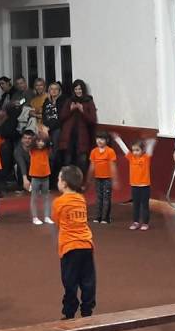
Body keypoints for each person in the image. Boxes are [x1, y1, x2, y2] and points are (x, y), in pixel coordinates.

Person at [54, 166, 95, 320]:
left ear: (64, 183)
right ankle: (87, 311)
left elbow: (57, 221)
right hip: (86, 245)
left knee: (70, 281)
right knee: (88, 280)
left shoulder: (59, 202)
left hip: (69, 247)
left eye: (59, 179)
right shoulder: (81, 199)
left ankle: (69, 312)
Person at [57, 80, 97, 171]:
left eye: (80, 89)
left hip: (82, 136)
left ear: (83, 90)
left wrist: (82, 110)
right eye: (76, 89)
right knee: (67, 161)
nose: (78, 91)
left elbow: (92, 120)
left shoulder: (88, 101)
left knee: (82, 161)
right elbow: (62, 117)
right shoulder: (69, 101)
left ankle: (81, 179)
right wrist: (70, 109)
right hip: (68, 136)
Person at [88, 132, 117, 225]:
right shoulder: (94, 151)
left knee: (106, 198)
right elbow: (92, 166)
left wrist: (115, 179)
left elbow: (113, 166)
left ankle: (105, 218)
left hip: (107, 178)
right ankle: (98, 216)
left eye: (102, 139)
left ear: (107, 141)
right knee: (99, 197)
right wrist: (89, 178)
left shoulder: (110, 151)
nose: (99, 141)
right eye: (98, 138)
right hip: (98, 178)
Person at [126, 139, 153, 230]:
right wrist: (118, 139)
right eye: (133, 150)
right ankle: (136, 222)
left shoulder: (146, 158)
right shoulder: (131, 157)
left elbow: (150, 149)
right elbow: (124, 149)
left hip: (145, 186)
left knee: (144, 205)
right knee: (135, 205)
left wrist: (151, 142)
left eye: (137, 150)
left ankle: (145, 223)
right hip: (134, 186)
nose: (135, 152)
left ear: (142, 150)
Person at [28, 134, 53, 225]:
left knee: (46, 197)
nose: (41, 143)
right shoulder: (32, 150)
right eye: (39, 141)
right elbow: (30, 144)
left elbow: (50, 144)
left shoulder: (47, 150)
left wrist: (46, 134)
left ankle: (47, 217)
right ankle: (35, 217)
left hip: (46, 177)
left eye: (43, 141)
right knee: (34, 198)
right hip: (35, 177)